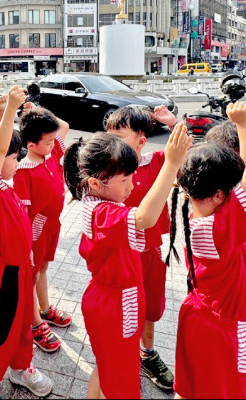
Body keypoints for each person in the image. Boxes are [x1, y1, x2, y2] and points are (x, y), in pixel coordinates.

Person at [169, 94, 246, 399]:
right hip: (223, 329)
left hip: (216, 319)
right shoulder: (219, 229)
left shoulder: (206, 216)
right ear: (221, 196)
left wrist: (244, 128)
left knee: (218, 383)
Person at [63, 125, 192, 399]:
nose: (132, 187)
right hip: (114, 306)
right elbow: (145, 218)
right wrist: (171, 164)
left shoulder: (97, 200)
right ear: (96, 183)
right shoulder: (101, 213)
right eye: (125, 181)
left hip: (117, 300)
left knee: (107, 367)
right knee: (122, 381)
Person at [0, 86, 55, 399]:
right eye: (13, 155)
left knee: (20, 326)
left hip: (20, 271)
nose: (18, 159)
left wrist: (16, 111)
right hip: (2, 272)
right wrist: (11, 111)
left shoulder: (9, 185)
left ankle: (20, 369)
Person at [104, 104, 178, 391]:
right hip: (119, 253)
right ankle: (118, 352)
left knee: (150, 305)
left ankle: (146, 352)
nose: (112, 143)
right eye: (109, 135)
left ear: (141, 140)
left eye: (119, 137)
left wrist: (174, 125)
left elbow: (189, 157)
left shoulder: (158, 161)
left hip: (150, 251)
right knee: (119, 307)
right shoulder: (105, 167)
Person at [13, 106, 70, 354]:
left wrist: (37, 111)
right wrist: (27, 247)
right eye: (47, 142)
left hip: (52, 225)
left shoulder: (50, 153)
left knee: (43, 268)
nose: (53, 144)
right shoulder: (24, 172)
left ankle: (44, 309)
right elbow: (23, 215)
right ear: (31, 144)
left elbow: (64, 126)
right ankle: (34, 322)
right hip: (34, 231)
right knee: (31, 274)